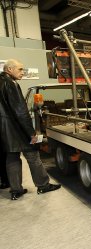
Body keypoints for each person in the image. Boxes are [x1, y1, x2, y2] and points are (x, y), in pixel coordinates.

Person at [0, 59, 61, 200]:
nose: (23, 72)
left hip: (5, 130)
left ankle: (16, 190)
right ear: (9, 69)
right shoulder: (11, 84)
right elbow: (20, 112)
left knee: (12, 158)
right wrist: (31, 133)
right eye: (20, 69)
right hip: (17, 129)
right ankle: (43, 185)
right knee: (33, 156)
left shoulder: (1, 82)